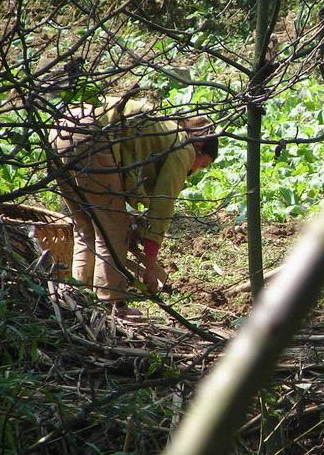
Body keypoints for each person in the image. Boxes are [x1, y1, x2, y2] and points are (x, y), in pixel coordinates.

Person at [50, 96, 218, 315]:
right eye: (202, 165)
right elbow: (162, 207)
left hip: (61, 128)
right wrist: (149, 267)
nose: (194, 172)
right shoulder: (183, 146)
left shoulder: (162, 130)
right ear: (199, 146)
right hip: (89, 136)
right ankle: (112, 306)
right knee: (113, 230)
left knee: (86, 227)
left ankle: (78, 299)